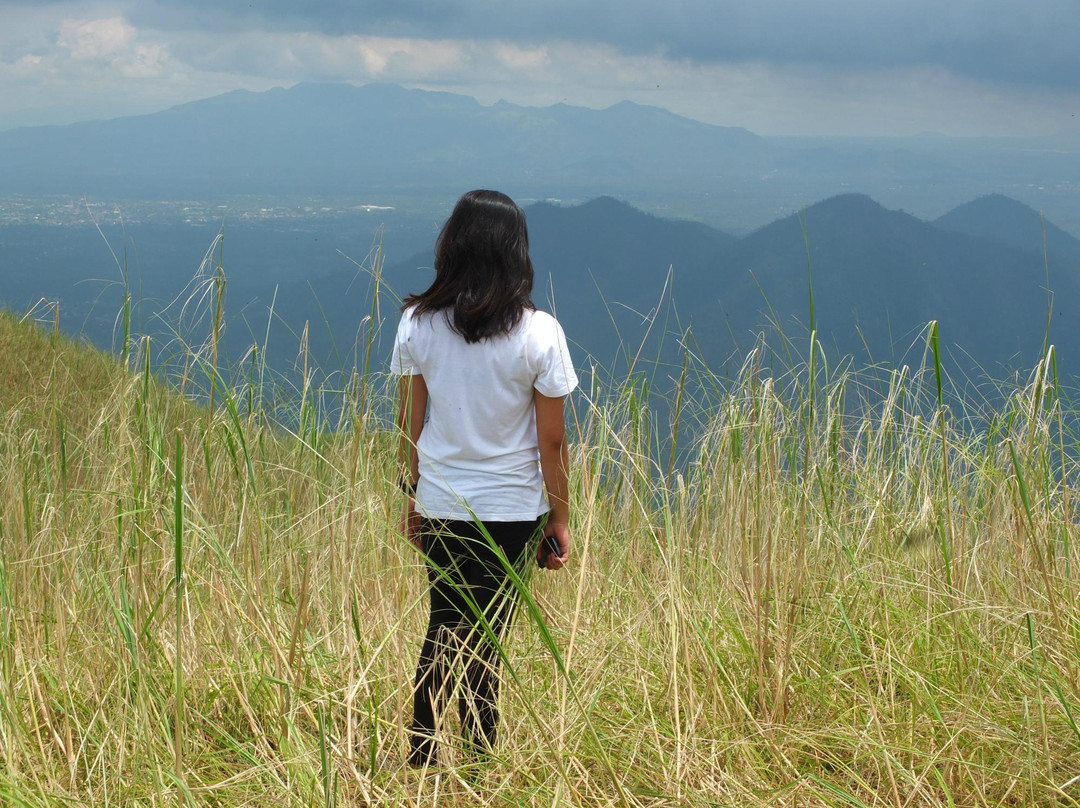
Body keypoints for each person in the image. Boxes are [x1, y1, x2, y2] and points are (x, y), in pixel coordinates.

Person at [390, 189, 577, 767]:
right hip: (515, 510)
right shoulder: (541, 332)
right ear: (514, 251)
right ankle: (478, 761)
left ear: (454, 245)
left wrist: (413, 493)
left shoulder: (418, 324)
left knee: (444, 623)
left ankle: (421, 756)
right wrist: (561, 516)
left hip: (445, 500)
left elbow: (409, 422)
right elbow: (551, 440)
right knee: (488, 635)